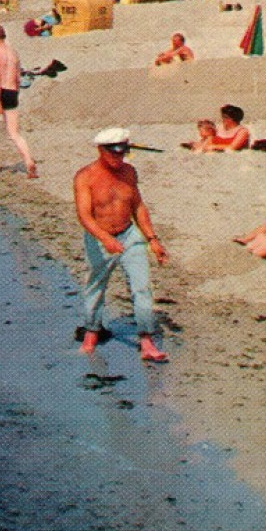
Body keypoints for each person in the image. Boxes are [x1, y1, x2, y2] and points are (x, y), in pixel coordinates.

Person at [74, 127, 169, 363]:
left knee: (142, 287)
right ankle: (92, 331)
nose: (119, 157)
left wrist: (152, 240)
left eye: (123, 152)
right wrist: (105, 238)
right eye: (114, 153)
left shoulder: (129, 172)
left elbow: (138, 206)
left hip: (129, 235)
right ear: (101, 150)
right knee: (95, 288)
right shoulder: (85, 176)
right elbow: (84, 216)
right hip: (99, 237)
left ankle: (146, 341)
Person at [0, 25, 37, 180]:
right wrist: (16, 93)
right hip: (12, 92)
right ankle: (28, 160)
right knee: (14, 133)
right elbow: (18, 77)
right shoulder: (13, 53)